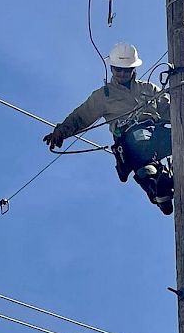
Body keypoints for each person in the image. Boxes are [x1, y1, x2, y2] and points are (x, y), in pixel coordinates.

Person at [43, 43, 174, 215]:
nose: (122, 74)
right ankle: (157, 191)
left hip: (155, 133)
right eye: (118, 69)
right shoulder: (104, 96)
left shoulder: (148, 89)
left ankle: (176, 176)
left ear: (134, 69)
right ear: (111, 68)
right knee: (143, 154)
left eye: (126, 70)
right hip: (132, 138)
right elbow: (82, 116)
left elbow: (170, 111)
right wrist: (61, 132)